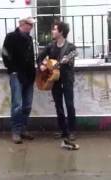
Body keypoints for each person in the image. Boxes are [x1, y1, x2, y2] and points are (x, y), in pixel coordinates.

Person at [37, 21, 79, 150]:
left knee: (69, 104)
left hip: (67, 79)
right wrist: (42, 65)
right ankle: (63, 130)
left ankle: (72, 131)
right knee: (58, 106)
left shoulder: (71, 48)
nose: (52, 32)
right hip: (54, 80)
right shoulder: (51, 46)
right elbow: (39, 58)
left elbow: (71, 61)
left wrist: (66, 61)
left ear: (61, 32)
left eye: (54, 29)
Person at [2, 17, 36, 144]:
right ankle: (16, 132)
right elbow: (5, 55)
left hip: (29, 75)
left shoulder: (29, 38)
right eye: (29, 24)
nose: (31, 27)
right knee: (17, 105)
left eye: (32, 25)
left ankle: (23, 129)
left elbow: (30, 57)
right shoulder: (11, 37)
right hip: (17, 75)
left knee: (27, 105)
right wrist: (12, 70)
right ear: (22, 24)